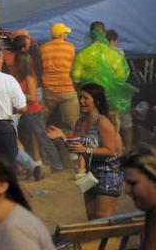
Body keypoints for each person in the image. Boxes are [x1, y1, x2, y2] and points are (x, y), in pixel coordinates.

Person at [47, 83, 123, 219]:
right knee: (91, 217)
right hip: (89, 174)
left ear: (96, 101)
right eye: (80, 97)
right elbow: (77, 151)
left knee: (102, 217)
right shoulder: (80, 122)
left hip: (108, 173)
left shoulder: (103, 122)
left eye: (85, 98)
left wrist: (86, 150)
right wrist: (63, 138)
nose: (81, 101)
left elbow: (110, 151)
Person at [11, 37, 63, 174]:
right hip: (27, 112)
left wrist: (18, 95)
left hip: (34, 111)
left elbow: (33, 97)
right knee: (36, 137)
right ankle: (48, 163)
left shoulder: (29, 77)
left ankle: (56, 164)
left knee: (43, 138)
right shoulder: (23, 77)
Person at [71, 27, 136, 129]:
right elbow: (123, 76)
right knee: (112, 128)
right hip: (110, 100)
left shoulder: (83, 54)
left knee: (91, 128)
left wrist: (81, 91)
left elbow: (75, 77)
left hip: (90, 99)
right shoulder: (115, 54)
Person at [40, 23, 80, 130]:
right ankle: (74, 143)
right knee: (73, 124)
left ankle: (40, 140)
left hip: (48, 91)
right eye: (66, 33)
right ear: (62, 35)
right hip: (67, 89)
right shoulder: (70, 47)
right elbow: (74, 68)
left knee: (41, 122)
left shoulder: (43, 48)